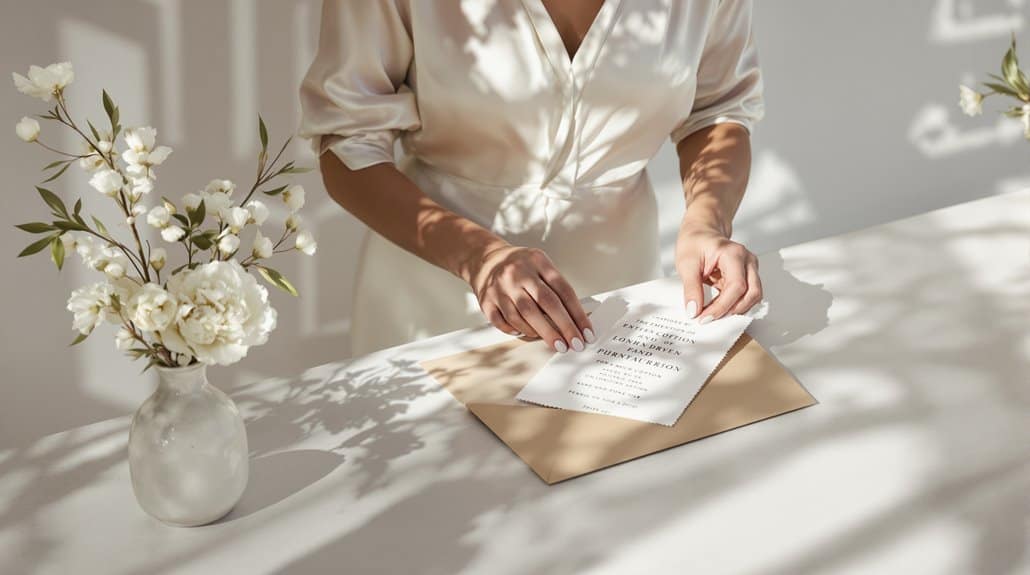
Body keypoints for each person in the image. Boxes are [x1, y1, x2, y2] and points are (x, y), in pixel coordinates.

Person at [299, 0, 765, 357]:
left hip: (617, 297)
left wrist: (706, 222)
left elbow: (717, 108)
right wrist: (477, 257)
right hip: (434, 295)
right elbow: (349, 140)